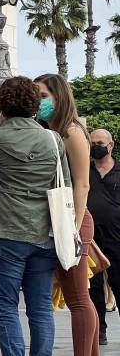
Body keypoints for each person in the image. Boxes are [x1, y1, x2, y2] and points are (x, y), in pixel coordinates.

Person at [0, 76, 69, 356]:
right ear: (35, 105)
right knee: (40, 310)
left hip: (5, 232)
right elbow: (66, 184)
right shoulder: (53, 139)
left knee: (5, 308)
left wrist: (0, 127)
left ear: (1, 104)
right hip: (45, 234)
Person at [37, 73, 96, 356]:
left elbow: (82, 184)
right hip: (63, 220)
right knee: (79, 299)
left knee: (77, 299)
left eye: (43, 96)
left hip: (71, 220)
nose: (38, 102)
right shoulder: (52, 130)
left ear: (59, 98)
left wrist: (72, 228)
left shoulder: (71, 131)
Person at [89, 129, 120, 346]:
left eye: (100, 142)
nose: (96, 146)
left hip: (116, 238)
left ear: (111, 145)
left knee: (118, 282)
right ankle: (99, 329)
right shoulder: (83, 170)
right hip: (91, 238)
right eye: (92, 142)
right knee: (93, 287)